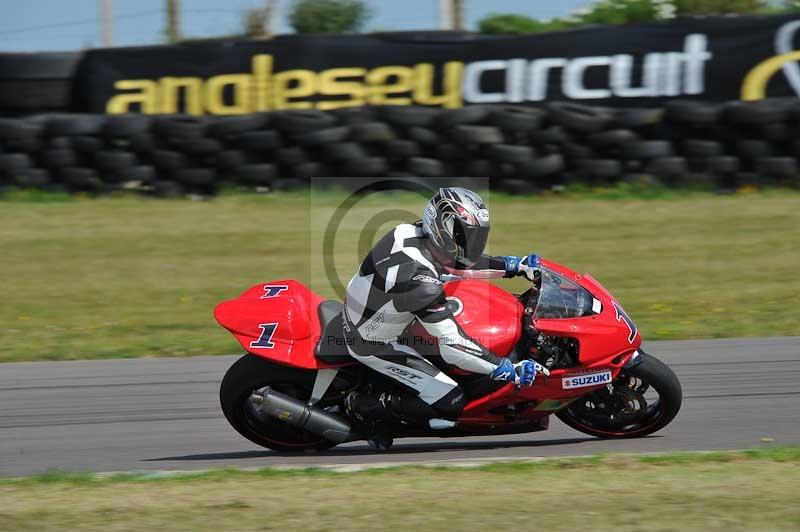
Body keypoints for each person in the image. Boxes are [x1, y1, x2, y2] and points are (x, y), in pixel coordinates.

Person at [343, 186, 548, 440]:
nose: (472, 244)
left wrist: (513, 265)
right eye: (465, 236)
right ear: (443, 230)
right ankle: (366, 407)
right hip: (373, 341)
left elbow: (457, 264)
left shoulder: (411, 233)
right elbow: (454, 346)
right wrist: (506, 369)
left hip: (384, 311)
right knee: (451, 399)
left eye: (476, 236)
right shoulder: (420, 282)